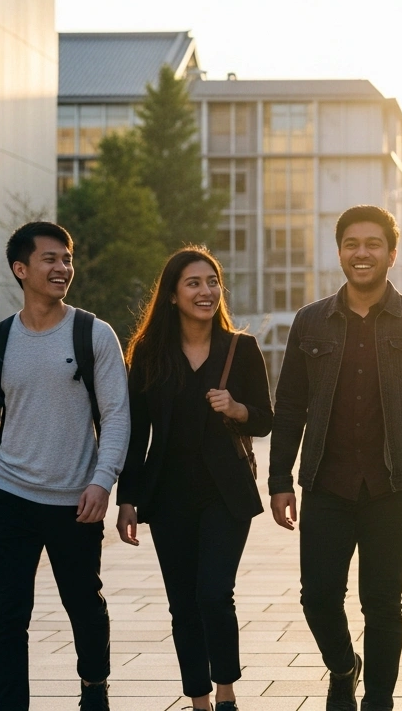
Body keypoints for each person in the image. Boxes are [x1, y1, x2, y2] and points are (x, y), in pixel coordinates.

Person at [268, 205, 402, 711]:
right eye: (352, 244)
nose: (362, 253)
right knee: (318, 598)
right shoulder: (311, 322)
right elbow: (288, 405)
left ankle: (378, 699)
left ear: (392, 254)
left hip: (391, 485)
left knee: (382, 605)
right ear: (339, 253)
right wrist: (279, 479)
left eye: (373, 244)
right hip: (326, 485)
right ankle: (342, 666)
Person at [0, 221, 131, 711]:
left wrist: (103, 481)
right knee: (8, 617)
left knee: (85, 607)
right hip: (10, 497)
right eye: (50, 259)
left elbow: (118, 414)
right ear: (21, 269)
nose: (63, 268)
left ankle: (94, 685)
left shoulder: (93, 334)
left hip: (75, 500)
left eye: (67, 259)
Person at [115, 247, 273, 711]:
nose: (206, 292)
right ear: (171, 295)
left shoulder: (241, 348)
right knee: (182, 603)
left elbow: (264, 419)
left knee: (213, 594)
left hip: (226, 494)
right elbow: (134, 433)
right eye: (193, 283)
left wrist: (237, 408)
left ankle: (226, 691)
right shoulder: (148, 354)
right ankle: (198, 698)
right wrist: (128, 499)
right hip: (168, 497)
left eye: (212, 282)